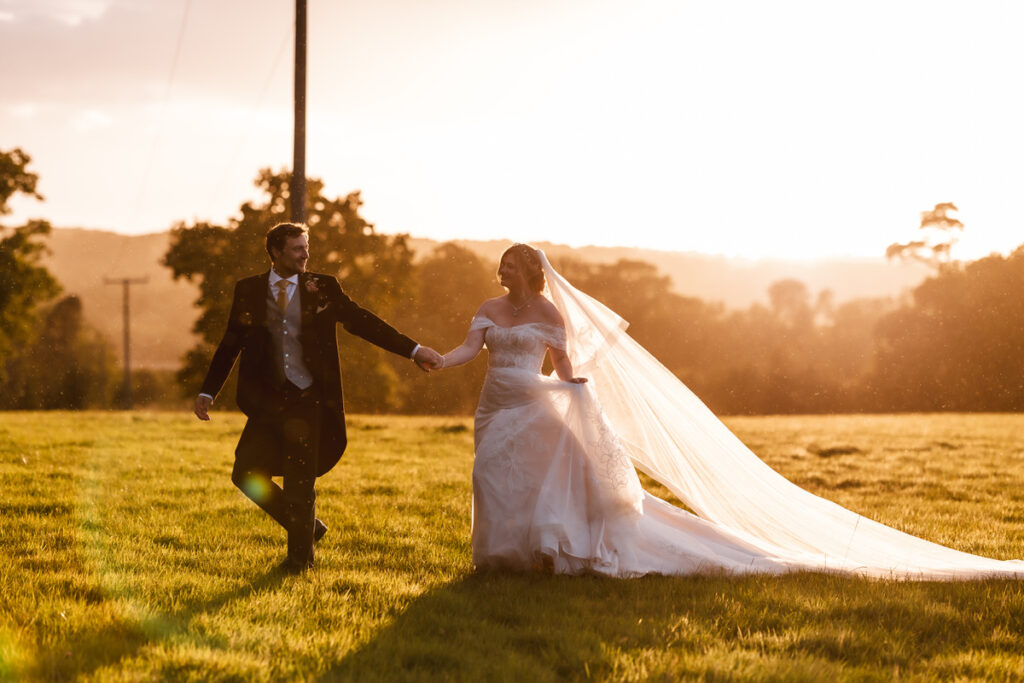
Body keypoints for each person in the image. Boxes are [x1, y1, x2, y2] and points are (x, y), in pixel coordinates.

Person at [435, 243, 1024, 579]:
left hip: (535, 404)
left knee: (529, 478)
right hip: (495, 404)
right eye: (502, 267)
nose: (502, 271)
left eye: (511, 265)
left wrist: (577, 387)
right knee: (491, 473)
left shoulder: (550, 313)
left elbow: (560, 368)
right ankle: (499, 556)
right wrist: (440, 360)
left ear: (530, 271)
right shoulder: (488, 305)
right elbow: (470, 348)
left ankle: (537, 555)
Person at [194, 222, 442, 574]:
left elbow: (360, 321)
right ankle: (308, 527)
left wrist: (413, 349)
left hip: (309, 400)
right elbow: (231, 342)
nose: (305, 254)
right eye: (297, 248)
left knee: (300, 481)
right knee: (245, 472)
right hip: (266, 402)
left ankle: (299, 562)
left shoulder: (322, 287)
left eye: (306, 247)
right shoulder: (248, 289)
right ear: (276, 252)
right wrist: (208, 390)